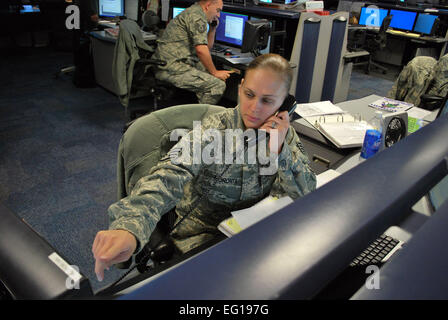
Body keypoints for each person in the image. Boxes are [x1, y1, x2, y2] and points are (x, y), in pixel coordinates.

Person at [92, 53, 317, 282]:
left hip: (255, 232)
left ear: (285, 103)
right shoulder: (211, 131)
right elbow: (168, 175)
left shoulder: (283, 133)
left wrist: (280, 150)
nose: (254, 108)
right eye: (249, 94)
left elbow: (306, 192)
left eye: (268, 100)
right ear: (240, 88)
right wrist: (128, 227)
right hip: (202, 236)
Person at [151, 0, 232, 104]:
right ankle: (199, 119)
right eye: (217, 10)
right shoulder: (197, 17)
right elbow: (201, 50)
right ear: (208, 6)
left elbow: (206, 49)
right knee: (217, 85)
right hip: (171, 68)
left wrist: (212, 29)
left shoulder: (194, 11)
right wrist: (215, 72)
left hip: (175, 63)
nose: (218, 15)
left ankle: (194, 111)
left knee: (212, 77)